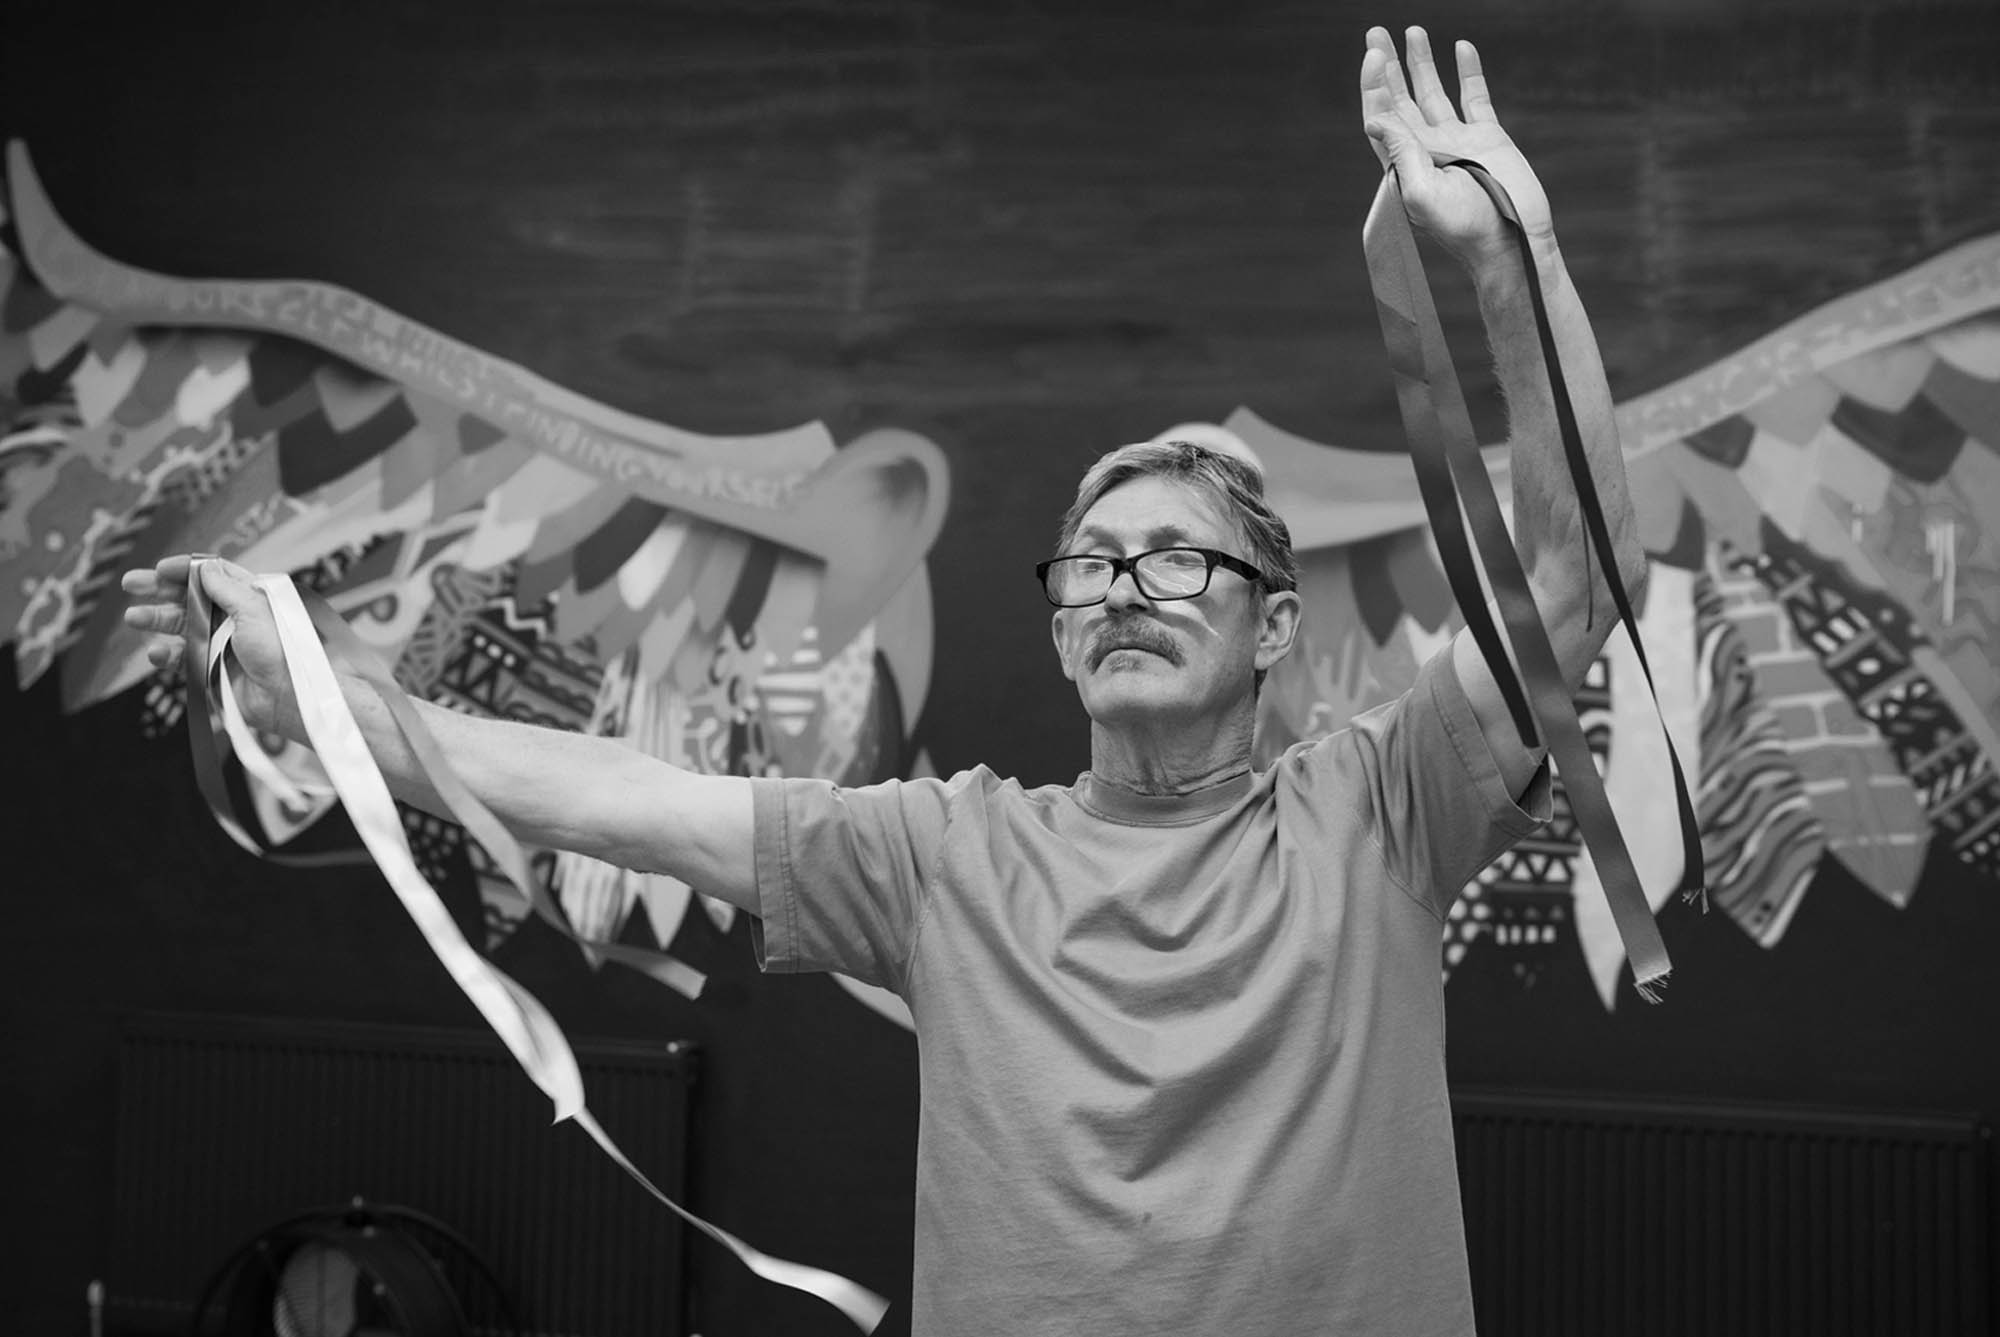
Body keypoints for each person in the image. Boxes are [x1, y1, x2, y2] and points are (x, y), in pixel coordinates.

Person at [124, 25, 1645, 1337]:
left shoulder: (1379, 803)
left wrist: (1516, 270)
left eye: (1177, 559)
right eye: (1093, 562)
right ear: (1057, 632)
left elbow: (1577, 580)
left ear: (1274, 627)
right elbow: (620, 796)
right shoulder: (947, 854)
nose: (1123, 583)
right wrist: (314, 683)